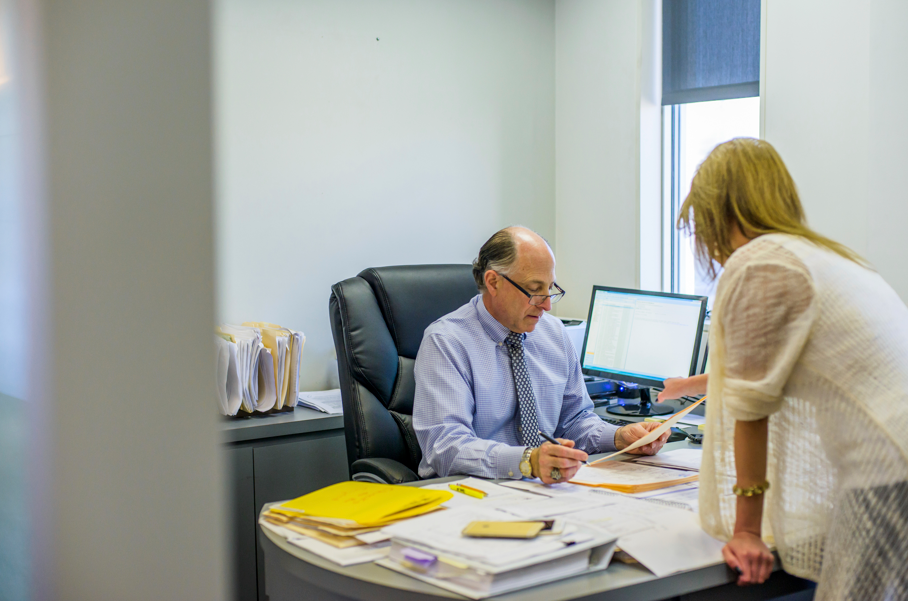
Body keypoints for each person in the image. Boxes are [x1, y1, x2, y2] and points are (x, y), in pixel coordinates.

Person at [678, 138, 908, 600]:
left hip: (885, 471)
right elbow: (785, 368)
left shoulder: (761, 263)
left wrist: (745, 530)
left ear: (718, 211)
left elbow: (751, 406)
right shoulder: (826, 256)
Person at [413, 226, 669, 484]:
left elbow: (575, 421)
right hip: (468, 492)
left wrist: (619, 437)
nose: (546, 305)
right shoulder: (446, 342)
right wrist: (527, 462)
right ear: (493, 282)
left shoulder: (554, 333)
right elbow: (444, 447)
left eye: (550, 288)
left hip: (543, 490)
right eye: (535, 289)